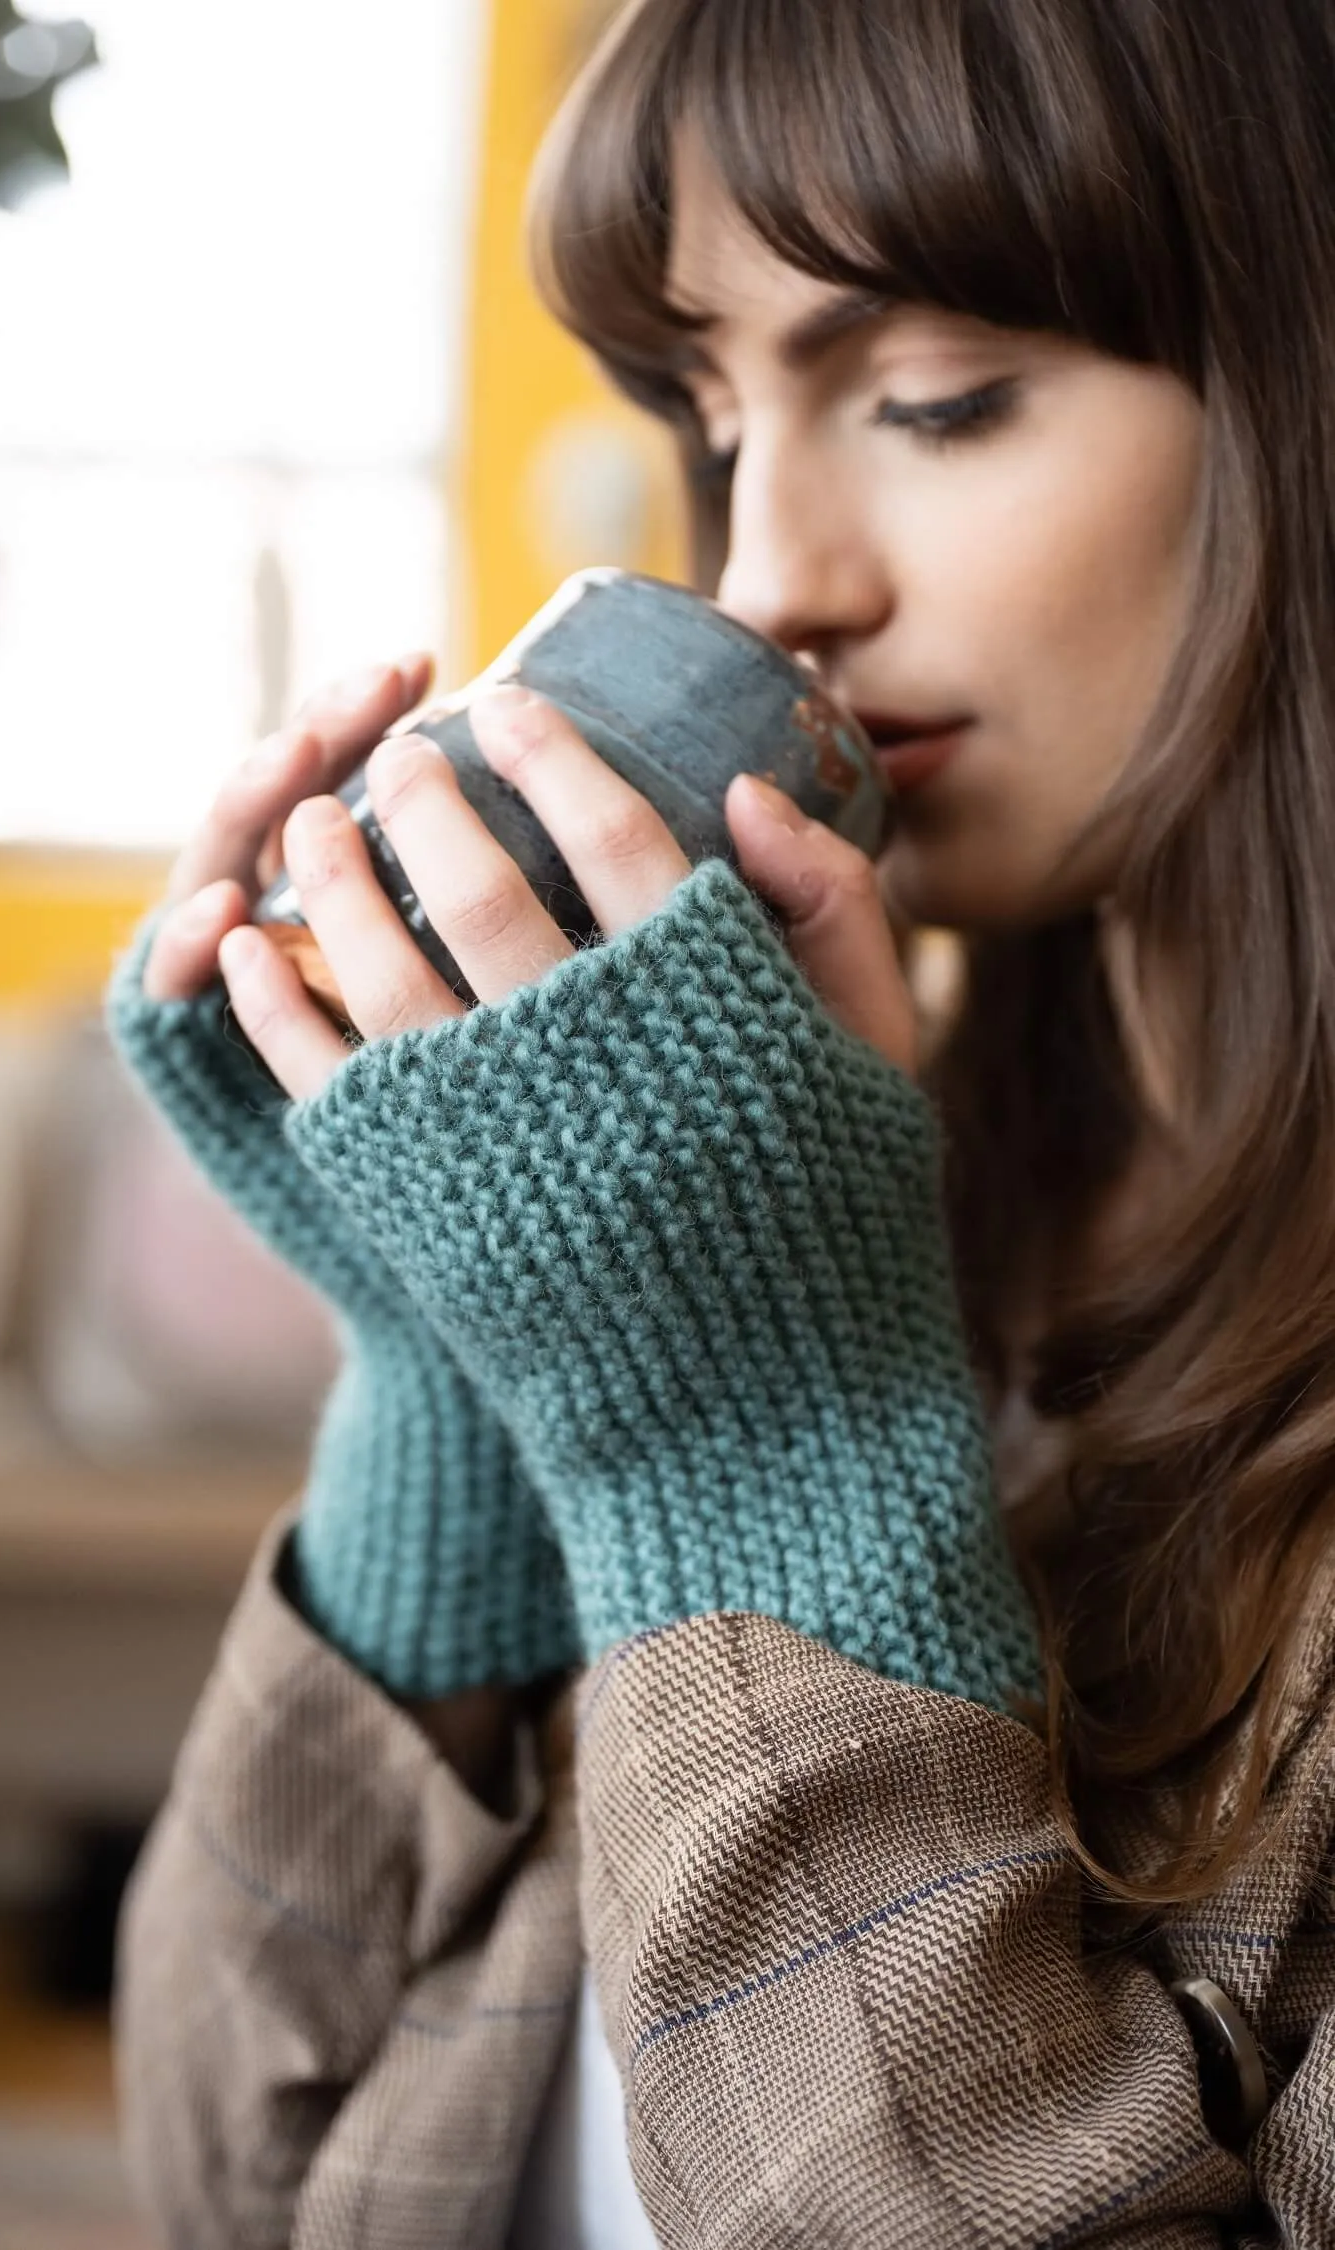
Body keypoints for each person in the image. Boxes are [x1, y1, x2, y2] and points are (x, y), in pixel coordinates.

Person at [106, 0, 1335, 2240]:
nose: (774, 577)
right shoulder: (851, 1220)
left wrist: (765, 1462)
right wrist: (458, 1387)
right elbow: (232, 2179)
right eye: (705, 413)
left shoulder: (800, 1335)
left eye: (938, 397)